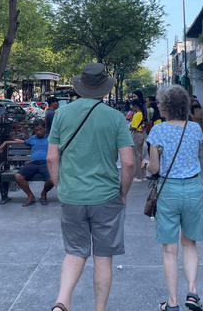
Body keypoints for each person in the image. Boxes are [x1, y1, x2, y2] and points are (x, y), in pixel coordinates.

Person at [46, 63, 134, 311]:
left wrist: (60, 186)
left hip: (72, 196)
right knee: (103, 259)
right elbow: (128, 163)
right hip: (106, 196)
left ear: (80, 87)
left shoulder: (61, 114)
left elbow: (51, 158)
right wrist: (123, 193)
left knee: (75, 252)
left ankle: (62, 302)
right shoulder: (116, 118)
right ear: (104, 90)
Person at [143, 85, 203, 311]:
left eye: (160, 103)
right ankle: (193, 292)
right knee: (190, 243)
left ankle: (172, 303)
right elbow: (195, 156)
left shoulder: (157, 131)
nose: (158, 106)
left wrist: (147, 164)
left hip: (168, 191)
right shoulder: (195, 129)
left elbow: (155, 169)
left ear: (167, 106)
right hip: (193, 188)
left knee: (170, 250)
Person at [0, 119, 53, 206]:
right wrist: (5, 143)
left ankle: (44, 194)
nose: (38, 132)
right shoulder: (32, 139)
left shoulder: (50, 138)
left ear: (45, 128)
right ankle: (31, 196)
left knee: (52, 179)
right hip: (33, 163)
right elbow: (19, 142)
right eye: (36, 130)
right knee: (18, 176)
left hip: (45, 163)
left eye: (40, 129)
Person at [129, 99, 147, 181]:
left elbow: (134, 126)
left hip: (137, 134)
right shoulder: (143, 114)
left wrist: (128, 128)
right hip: (142, 134)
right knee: (140, 156)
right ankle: (143, 175)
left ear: (135, 106)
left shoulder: (136, 115)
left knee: (136, 156)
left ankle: (137, 175)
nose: (131, 108)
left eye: (132, 106)